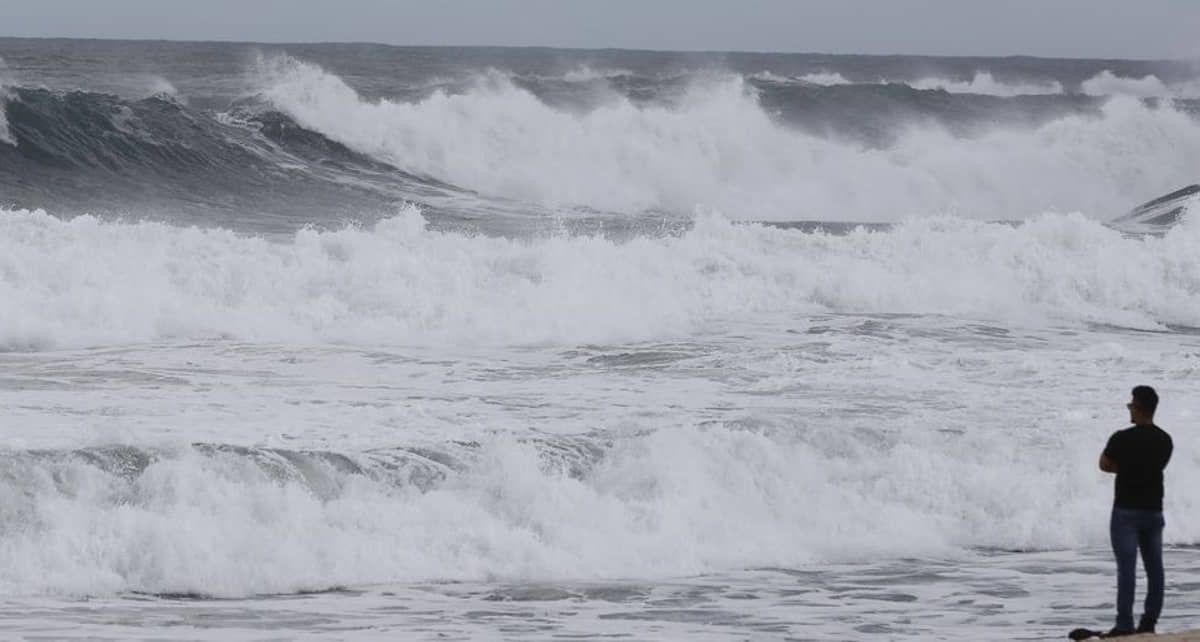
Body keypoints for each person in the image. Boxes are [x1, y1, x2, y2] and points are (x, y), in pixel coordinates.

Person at [1098, 385, 1173, 637]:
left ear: (1138, 407)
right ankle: (1149, 621)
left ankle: (1124, 624)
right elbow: (1157, 466)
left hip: (1126, 511)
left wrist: (1126, 469)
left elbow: (1104, 464)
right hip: (1153, 511)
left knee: (1127, 570)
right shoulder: (1165, 440)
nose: (1129, 408)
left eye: (1131, 404)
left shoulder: (1121, 438)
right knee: (1155, 569)